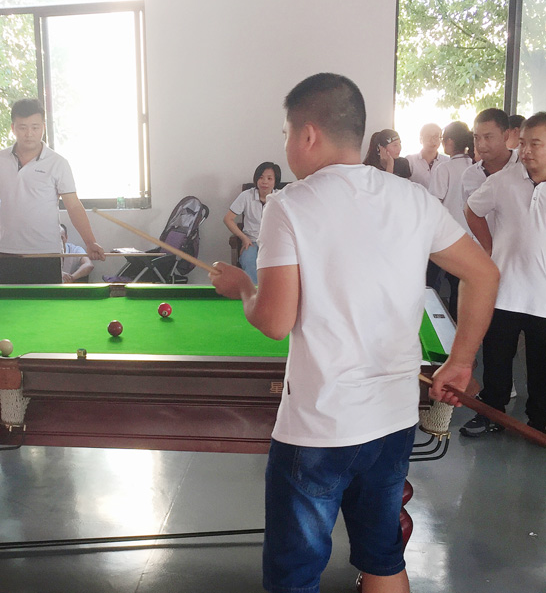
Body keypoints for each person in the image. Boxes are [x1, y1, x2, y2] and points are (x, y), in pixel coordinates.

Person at [211, 73, 497, 593]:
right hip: (392, 420)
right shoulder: (412, 199)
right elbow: (484, 274)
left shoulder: (288, 206)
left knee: (294, 576)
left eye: (286, 133)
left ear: (308, 134)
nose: (286, 144)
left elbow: (274, 322)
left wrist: (243, 289)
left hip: (319, 428)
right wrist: (460, 362)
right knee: (383, 558)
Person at [0, 97, 105, 283]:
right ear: (13, 128)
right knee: (5, 302)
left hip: (46, 253)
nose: (29, 133)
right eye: (22, 127)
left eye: (35, 127)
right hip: (7, 252)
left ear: (43, 127)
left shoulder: (58, 163)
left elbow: (74, 206)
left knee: (46, 302)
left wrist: (90, 242)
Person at [462, 112, 546, 437]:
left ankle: (539, 422)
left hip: (542, 297)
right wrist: (489, 247)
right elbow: (472, 209)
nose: (526, 151)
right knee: (496, 359)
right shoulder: (502, 181)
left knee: (541, 367)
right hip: (505, 290)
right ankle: (491, 413)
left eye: (536, 144)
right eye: (523, 143)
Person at [428, 121, 474, 319]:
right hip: (471, 239)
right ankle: (457, 326)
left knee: (429, 283)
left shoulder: (444, 168)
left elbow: (434, 204)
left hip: (444, 236)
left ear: (449, 142)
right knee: (459, 288)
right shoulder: (476, 166)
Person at [222, 161, 281, 284]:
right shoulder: (246, 195)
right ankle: (254, 293)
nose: (264, 182)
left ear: (275, 181)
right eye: (261, 177)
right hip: (251, 241)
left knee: (276, 265)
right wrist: (243, 238)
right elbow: (228, 219)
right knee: (249, 261)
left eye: (269, 178)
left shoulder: (281, 197)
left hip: (274, 243)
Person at [461, 108, 518, 207]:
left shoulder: (524, 168)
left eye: (488, 137)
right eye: (476, 138)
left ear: (505, 135)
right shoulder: (470, 175)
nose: (481, 145)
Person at [406, 123, 448, 188]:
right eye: (428, 136)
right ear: (421, 139)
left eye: (436, 136)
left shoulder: (447, 162)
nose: (432, 140)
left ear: (441, 139)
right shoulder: (410, 160)